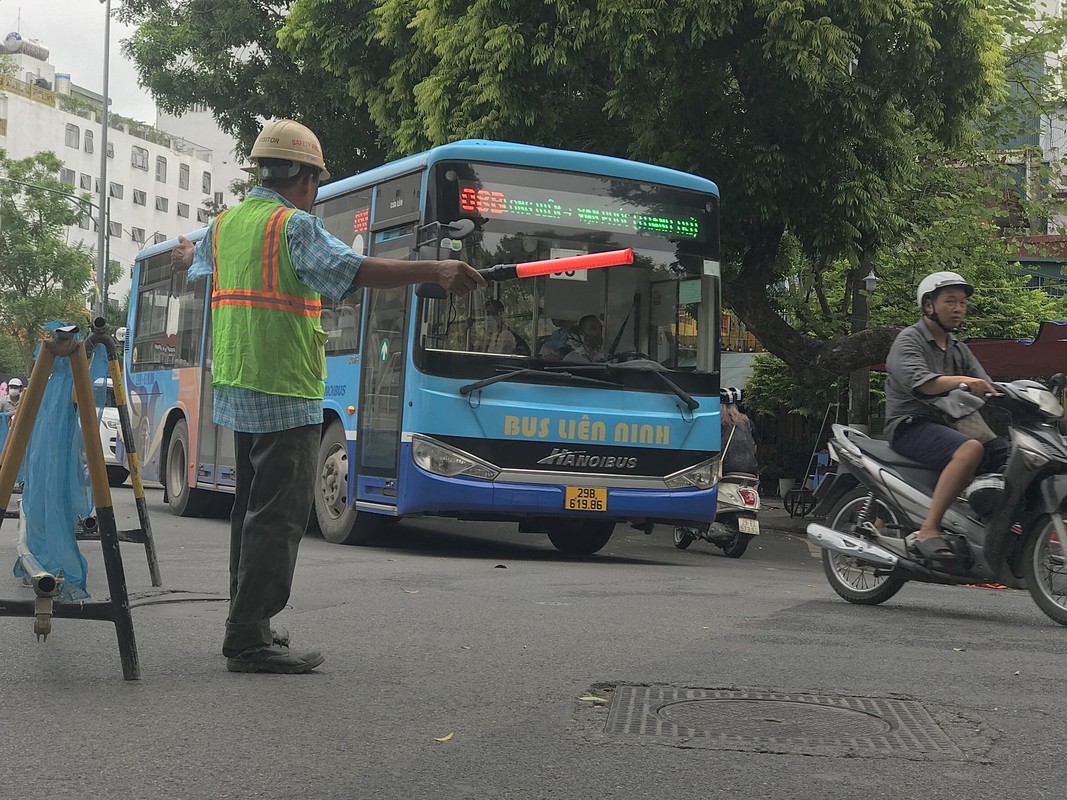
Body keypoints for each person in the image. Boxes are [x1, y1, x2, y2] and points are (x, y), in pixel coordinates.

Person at [171, 118, 485, 674]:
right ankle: (247, 636)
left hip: (240, 382)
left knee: (250, 509)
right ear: (305, 177)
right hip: (284, 385)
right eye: (315, 181)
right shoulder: (292, 226)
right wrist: (435, 267)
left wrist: (181, 258)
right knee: (278, 515)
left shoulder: (226, 224)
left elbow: (197, 267)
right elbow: (354, 270)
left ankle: (249, 622)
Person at [884, 271, 1009, 562]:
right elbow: (924, 384)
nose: (958, 309)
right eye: (950, 301)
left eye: (962, 303)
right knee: (971, 449)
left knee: (1008, 453)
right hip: (910, 424)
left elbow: (987, 386)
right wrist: (964, 381)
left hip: (951, 424)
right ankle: (929, 529)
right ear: (929, 306)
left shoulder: (958, 348)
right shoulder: (909, 340)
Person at [719, 388, 758, 476]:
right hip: (751, 470)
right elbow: (754, 447)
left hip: (728, 470)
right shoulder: (746, 421)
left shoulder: (718, 422)